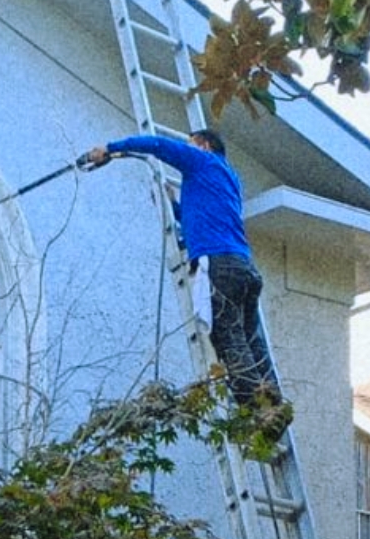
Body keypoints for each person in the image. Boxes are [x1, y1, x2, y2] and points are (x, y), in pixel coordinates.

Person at [87, 129, 280, 409]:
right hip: (244, 267)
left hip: (220, 265)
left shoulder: (202, 160)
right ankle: (274, 401)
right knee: (252, 340)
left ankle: (258, 411)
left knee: (228, 337)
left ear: (203, 145)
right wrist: (173, 206)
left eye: (191, 145)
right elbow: (202, 217)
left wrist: (109, 146)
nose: (187, 149)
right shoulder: (229, 178)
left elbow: (156, 144)